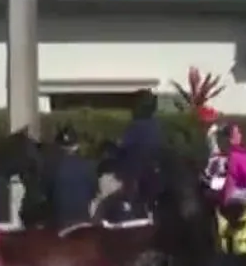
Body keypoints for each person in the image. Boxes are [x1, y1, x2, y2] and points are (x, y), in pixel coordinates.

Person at [110, 88, 163, 216]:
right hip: (153, 172)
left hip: (135, 174)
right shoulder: (156, 125)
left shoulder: (135, 126)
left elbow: (123, 147)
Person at [43, 125, 98, 231]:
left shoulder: (50, 167)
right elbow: (93, 193)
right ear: (76, 146)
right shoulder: (89, 166)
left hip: (58, 222)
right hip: (82, 221)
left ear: (58, 146)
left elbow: (46, 192)